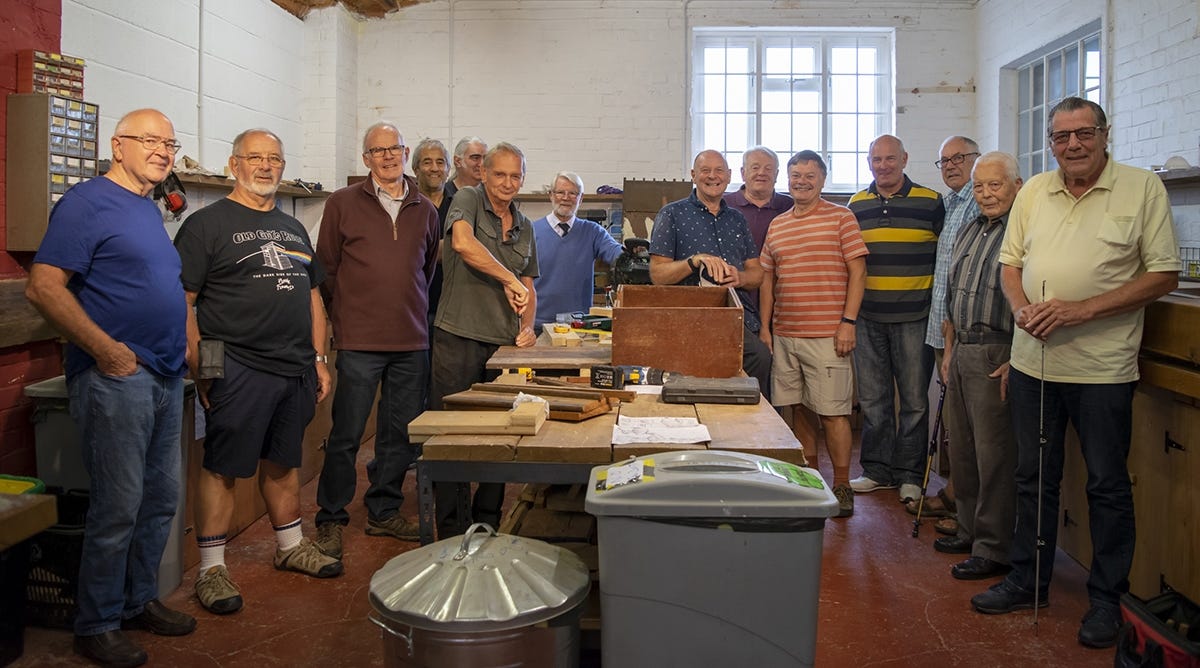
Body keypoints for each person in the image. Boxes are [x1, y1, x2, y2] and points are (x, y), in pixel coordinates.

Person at [971, 97, 1180, 649]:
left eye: (1083, 133)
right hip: (1032, 361)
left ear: (1104, 134)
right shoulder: (1035, 191)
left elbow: (1162, 273)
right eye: (1061, 137)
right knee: (1032, 478)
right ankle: (1028, 579)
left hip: (1102, 369)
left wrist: (1083, 309)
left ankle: (1106, 601)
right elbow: (1009, 264)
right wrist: (1020, 311)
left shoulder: (1141, 189)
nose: (1072, 146)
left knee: (1107, 486)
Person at [26, 108, 196, 667]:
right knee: (118, 504)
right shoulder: (87, 202)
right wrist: (107, 350)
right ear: (117, 145)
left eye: (169, 143)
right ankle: (95, 622)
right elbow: (44, 288)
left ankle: (136, 601)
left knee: (160, 499)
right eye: (150, 140)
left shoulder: (145, 207)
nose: (163, 151)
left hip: (165, 375)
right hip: (117, 377)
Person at [175, 128, 342, 617]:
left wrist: (318, 359)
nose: (266, 166)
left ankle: (289, 547)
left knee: (284, 462)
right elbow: (183, 303)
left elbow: (313, 299)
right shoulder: (205, 225)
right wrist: (203, 368)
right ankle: (211, 568)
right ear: (234, 165)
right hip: (238, 367)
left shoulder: (293, 229)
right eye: (255, 158)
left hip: (294, 367)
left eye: (274, 158)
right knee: (223, 467)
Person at [312, 123, 441, 559]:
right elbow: (326, 269)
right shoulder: (342, 204)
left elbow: (427, 268)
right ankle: (330, 517)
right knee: (346, 432)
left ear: (405, 153)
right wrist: (346, 319)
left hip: (411, 340)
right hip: (360, 341)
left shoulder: (426, 208)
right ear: (365, 158)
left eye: (394, 149)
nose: (387, 157)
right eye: (377, 150)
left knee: (399, 435)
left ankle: (383, 511)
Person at [430, 141, 538, 536]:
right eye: (499, 174)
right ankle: (453, 530)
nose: (507, 182)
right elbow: (462, 243)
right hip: (457, 336)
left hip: (503, 346)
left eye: (515, 175)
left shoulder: (525, 226)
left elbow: (529, 284)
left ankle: (487, 523)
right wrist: (507, 277)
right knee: (450, 435)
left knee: (501, 434)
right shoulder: (469, 201)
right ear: (484, 173)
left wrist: (527, 328)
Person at [759, 150, 867, 517]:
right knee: (799, 410)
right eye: (795, 175)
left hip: (828, 336)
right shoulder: (778, 224)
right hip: (786, 333)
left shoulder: (842, 218)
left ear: (823, 179)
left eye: (809, 175)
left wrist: (848, 322)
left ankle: (841, 484)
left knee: (834, 413)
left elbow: (858, 272)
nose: (801, 181)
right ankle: (811, 481)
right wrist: (766, 328)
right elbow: (768, 279)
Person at [935, 152, 1022, 579]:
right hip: (962, 348)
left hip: (997, 351)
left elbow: (1034, 297)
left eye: (995, 185)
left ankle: (994, 547)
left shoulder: (1023, 233)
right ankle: (968, 529)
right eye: (980, 186)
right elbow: (952, 293)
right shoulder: (970, 228)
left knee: (994, 456)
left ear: (1016, 186)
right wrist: (949, 350)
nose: (986, 193)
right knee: (962, 450)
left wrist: (1017, 356)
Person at [847, 134, 945, 503]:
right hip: (867, 316)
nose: (883, 165)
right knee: (873, 400)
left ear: (904, 159)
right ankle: (877, 470)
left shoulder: (931, 202)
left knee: (915, 401)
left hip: (914, 317)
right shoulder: (856, 204)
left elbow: (945, 257)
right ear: (868, 162)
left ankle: (909, 474)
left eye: (890, 159)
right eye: (876, 159)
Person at [648, 150, 772, 396]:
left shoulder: (737, 219)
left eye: (719, 171)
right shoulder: (672, 214)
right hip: (687, 317)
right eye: (705, 171)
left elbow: (757, 274)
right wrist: (694, 262)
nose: (712, 177)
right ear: (694, 176)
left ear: (728, 176)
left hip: (734, 317)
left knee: (760, 358)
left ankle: (748, 428)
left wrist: (741, 278)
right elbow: (657, 274)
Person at [908, 136, 982, 527]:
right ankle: (957, 494)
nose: (951, 166)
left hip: (968, 333)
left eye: (959, 158)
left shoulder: (980, 200)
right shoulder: (950, 203)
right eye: (944, 161)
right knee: (955, 422)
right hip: (943, 329)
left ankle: (967, 506)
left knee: (972, 426)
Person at [532, 171, 623, 329]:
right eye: (560, 192)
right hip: (537, 325)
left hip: (579, 325)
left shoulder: (593, 232)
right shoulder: (531, 231)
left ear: (581, 199)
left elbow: (614, 252)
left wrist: (632, 255)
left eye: (573, 193)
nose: (566, 198)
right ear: (551, 195)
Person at [723, 146, 794, 253]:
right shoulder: (723, 204)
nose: (761, 173)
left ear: (776, 174)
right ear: (743, 173)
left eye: (768, 168)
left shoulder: (790, 206)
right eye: (755, 168)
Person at [443, 136, 487, 201]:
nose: (481, 164)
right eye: (475, 158)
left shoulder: (492, 195)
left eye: (485, 158)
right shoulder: (442, 195)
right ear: (457, 161)